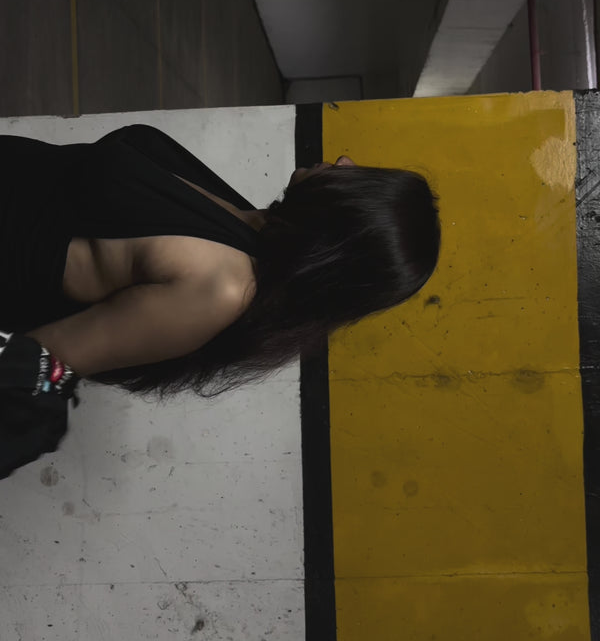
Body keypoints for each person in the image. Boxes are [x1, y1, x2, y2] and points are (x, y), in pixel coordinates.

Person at [0, 123, 440, 475]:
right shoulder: (251, 224)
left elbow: (44, 360)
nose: (345, 161)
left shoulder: (220, 289)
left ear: (341, 235)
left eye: (358, 179)